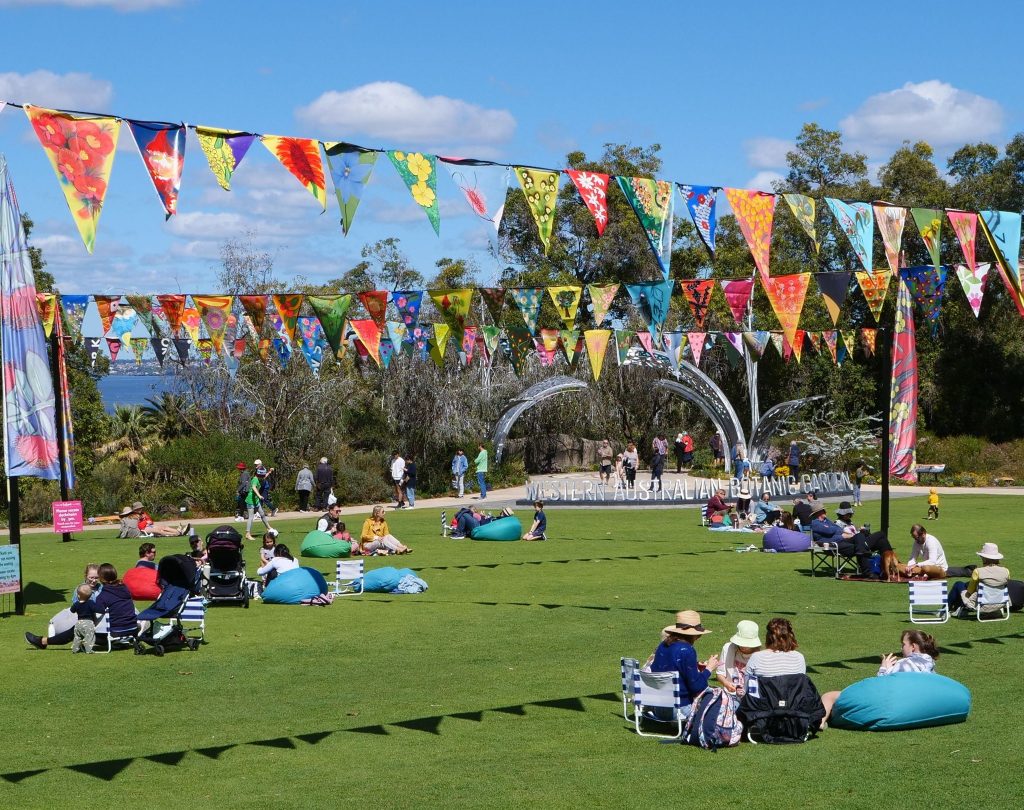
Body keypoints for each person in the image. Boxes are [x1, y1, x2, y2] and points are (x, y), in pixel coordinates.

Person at [821, 631, 940, 723]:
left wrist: (884, 668)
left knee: (829, 696)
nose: (901, 648)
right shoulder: (930, 665)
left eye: (903, 644)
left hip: (890, 705)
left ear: (913, 646)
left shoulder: (905, 664)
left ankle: (819, 722)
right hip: (917, 705)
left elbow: (880, 689)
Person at [646, 611, 719, 720]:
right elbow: (697, 687)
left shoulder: (663, 645)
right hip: (680, 709)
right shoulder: (687, 650)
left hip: (658, 707)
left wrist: (694, 666)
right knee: (717, 696)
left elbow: (671, 668)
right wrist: (709, 669)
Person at [811, 506, 893, 578]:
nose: (825, 512)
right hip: (835, 546)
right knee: (878, 535)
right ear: (818, 513)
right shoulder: (815, 523)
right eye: (823, 510)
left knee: (875, 539)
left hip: (845, 541)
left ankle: (892, 564)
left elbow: (837, 529)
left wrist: (840, 532)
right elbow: (830, 531)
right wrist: (841, 535)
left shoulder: (826, 521)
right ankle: (867, 571)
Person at [744, 618, 806, 692]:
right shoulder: (799, 657)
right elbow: (800, 686)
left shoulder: (756, 657)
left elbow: (747, 687)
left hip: (763, 703)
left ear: (768, 637)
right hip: (793, 702)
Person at [949, 542, 1010, 614]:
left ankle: (945, 609)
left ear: (984, 558)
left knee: (958, 584)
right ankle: (957, 608)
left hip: (982, 604)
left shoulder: (978, 571)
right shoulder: (1006, 571)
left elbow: (970, 591)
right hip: (1000, 603)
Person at [715, 620, 762, 695]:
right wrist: (726, 683)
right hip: (730, 694)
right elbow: (720, 674)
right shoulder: (728, 648)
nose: (743, 646)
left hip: (750, 697)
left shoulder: (759, 656)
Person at [244, 467, 274, 542]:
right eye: (263, 475)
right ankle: (248, 534)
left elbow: (265, 476)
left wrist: (269, 472)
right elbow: (254, 487)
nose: (264, 476)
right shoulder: (255, 479)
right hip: (251, 501)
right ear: (259, 475)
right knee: (251, 517)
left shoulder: (260, 478)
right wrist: (259, 495)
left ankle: (268, 528)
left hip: (256, 501)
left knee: (262, 514)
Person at [70, 583, 102, 653]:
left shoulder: (77, 604)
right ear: (90, 595)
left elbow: (72, 610)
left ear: (78, 595)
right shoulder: (90, 603)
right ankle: (88, 649)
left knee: (77, 637)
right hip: (88, 623)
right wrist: (103, 610)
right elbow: (98, 610)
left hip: (78, 623)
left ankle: (75, 649)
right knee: (89, 637)